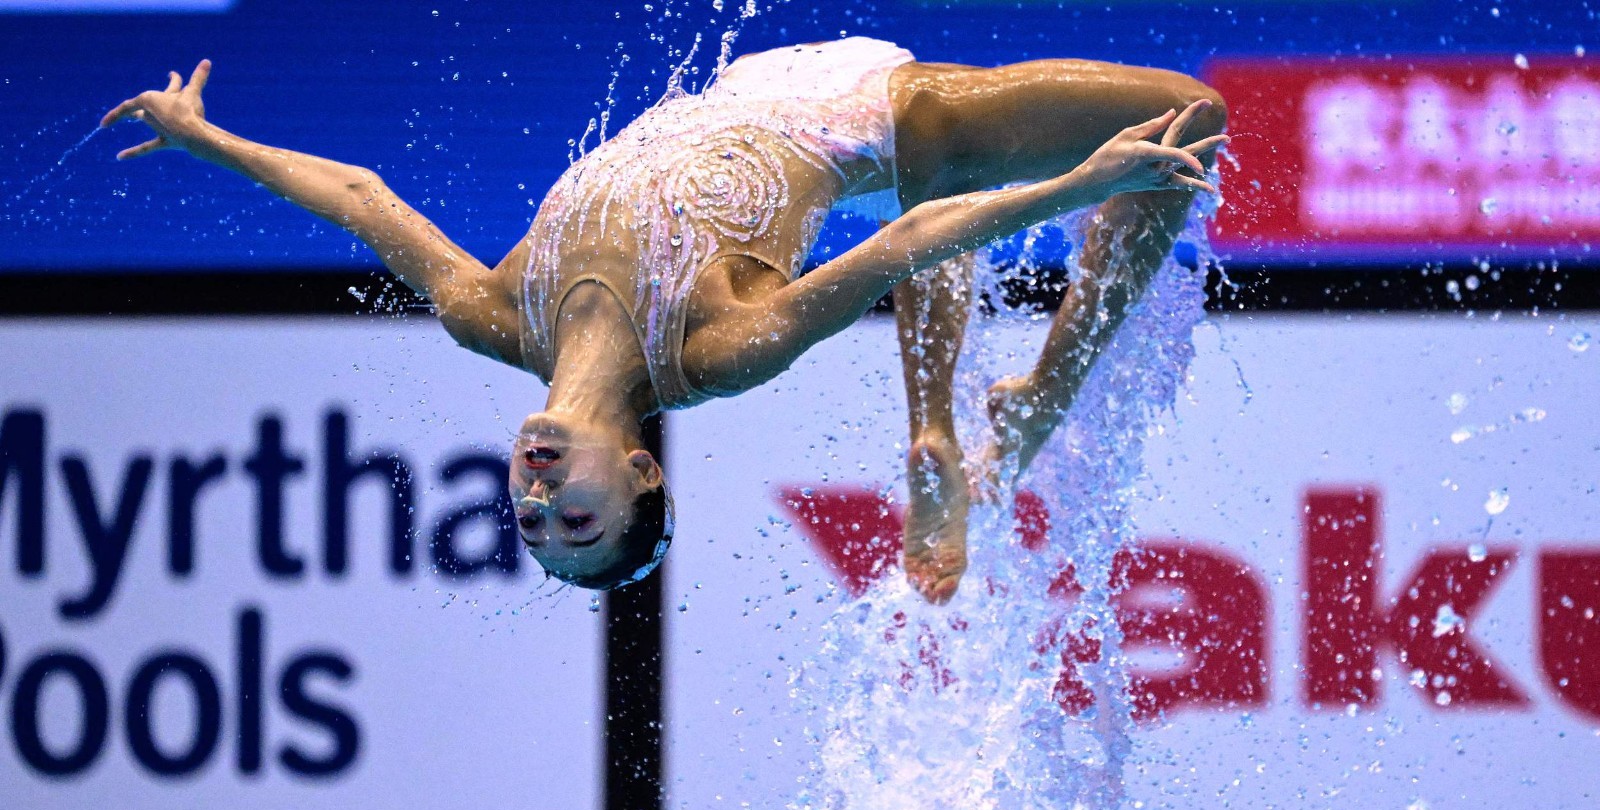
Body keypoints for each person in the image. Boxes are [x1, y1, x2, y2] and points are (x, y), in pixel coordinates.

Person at [102, 39, 1225, 599]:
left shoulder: (492, 316)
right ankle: (1030, 400)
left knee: (942, 195)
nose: (538, 501)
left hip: (749, 84)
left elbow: (360, 197)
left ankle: (946, 427)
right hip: (870, 118)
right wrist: (1083, 185)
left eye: (532, 524)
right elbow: (896, 247)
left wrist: (212, 142)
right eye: (573, 522)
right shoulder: (713, 353)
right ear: (640, 473)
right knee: (1185, 120)